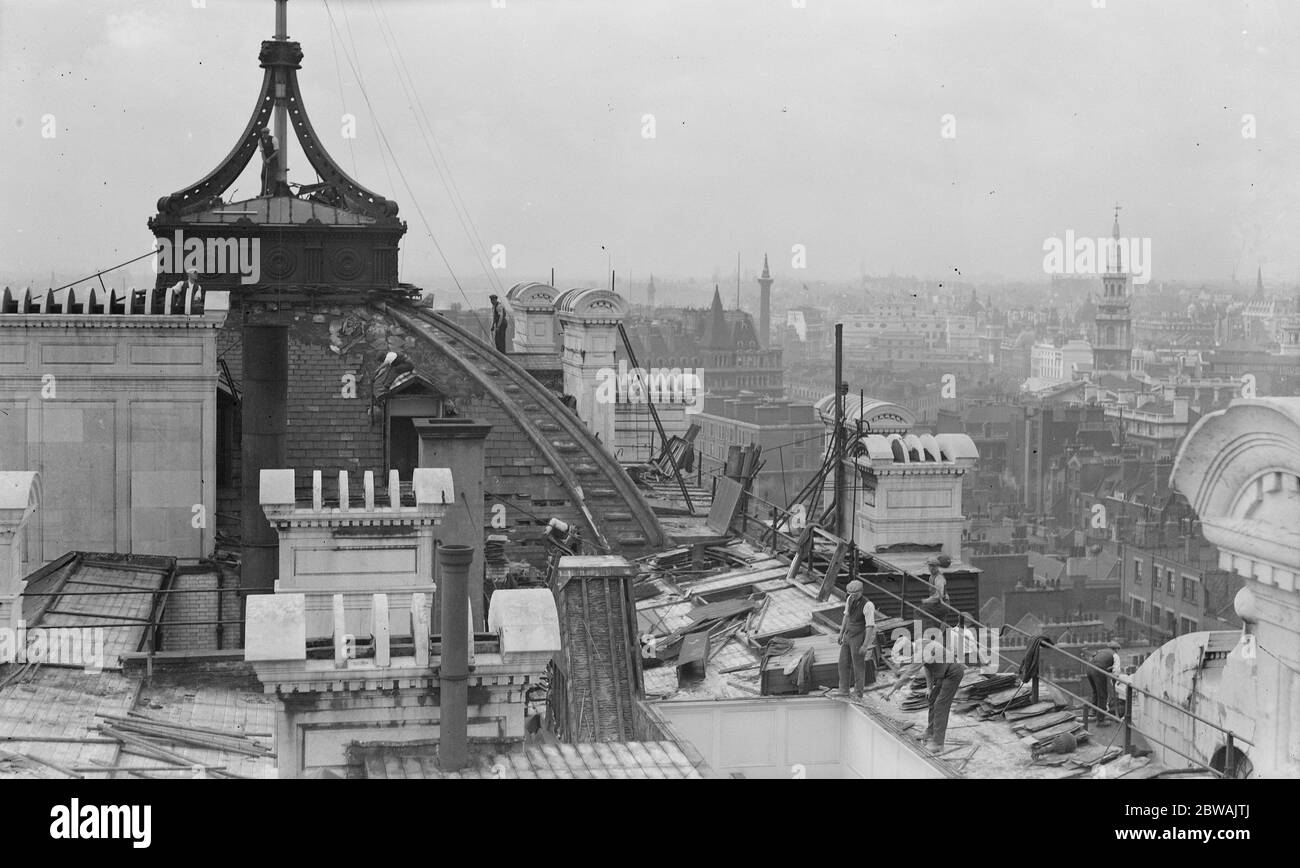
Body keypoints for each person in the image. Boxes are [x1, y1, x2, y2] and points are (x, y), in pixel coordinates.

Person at [886, 634, 966, 752]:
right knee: (933, 698)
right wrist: (929, 688)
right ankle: (930, 732)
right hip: (944, 673)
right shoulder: (920, 644)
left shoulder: (921, 651)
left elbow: (907, 675)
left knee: (940, 705)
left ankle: (938, 743)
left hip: (953, 672)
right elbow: (928, 667)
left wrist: (890, 691)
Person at [836, 580, 876, 698]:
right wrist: (841, 633)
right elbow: (846, 616)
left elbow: (869, 627)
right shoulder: (850, 599)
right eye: (850, 593)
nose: (853, 595)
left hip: (858, 637)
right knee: (843, 663)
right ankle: (843, 690)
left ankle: (858, 693)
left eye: (855, 593)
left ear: (861, 592)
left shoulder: (868, 605)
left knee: (858, 666)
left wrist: (865, 645)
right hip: (848, 635)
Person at [1083, 645, 1118, 727]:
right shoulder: (1115, 655)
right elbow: (1116, 671)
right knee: (1103, 695)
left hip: (1089, 668)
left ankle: (1094, 712)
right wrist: (1115, 679)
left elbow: (1096, 659)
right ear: (1116, 649)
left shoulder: (1101, 651)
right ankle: (1100, 720)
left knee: (1095, 691)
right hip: (1098, 671)